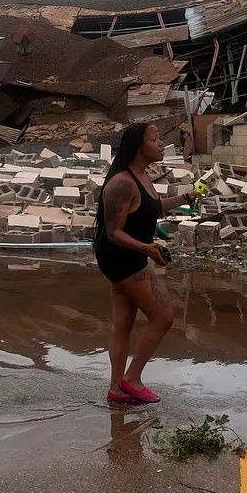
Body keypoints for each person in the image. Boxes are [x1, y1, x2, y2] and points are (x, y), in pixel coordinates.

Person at [93, 123, 197, 405]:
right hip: (122, 258)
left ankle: (116, 389)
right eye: (155, 139)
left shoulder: (142, 176)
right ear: (139, 147)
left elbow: (154, 207)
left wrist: (187, 197)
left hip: (133, 255)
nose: (162, 144)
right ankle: (132, 378)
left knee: (123, 323)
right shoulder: (122, 183)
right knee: (163, 317)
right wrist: (149, 249)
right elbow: (114, 233)